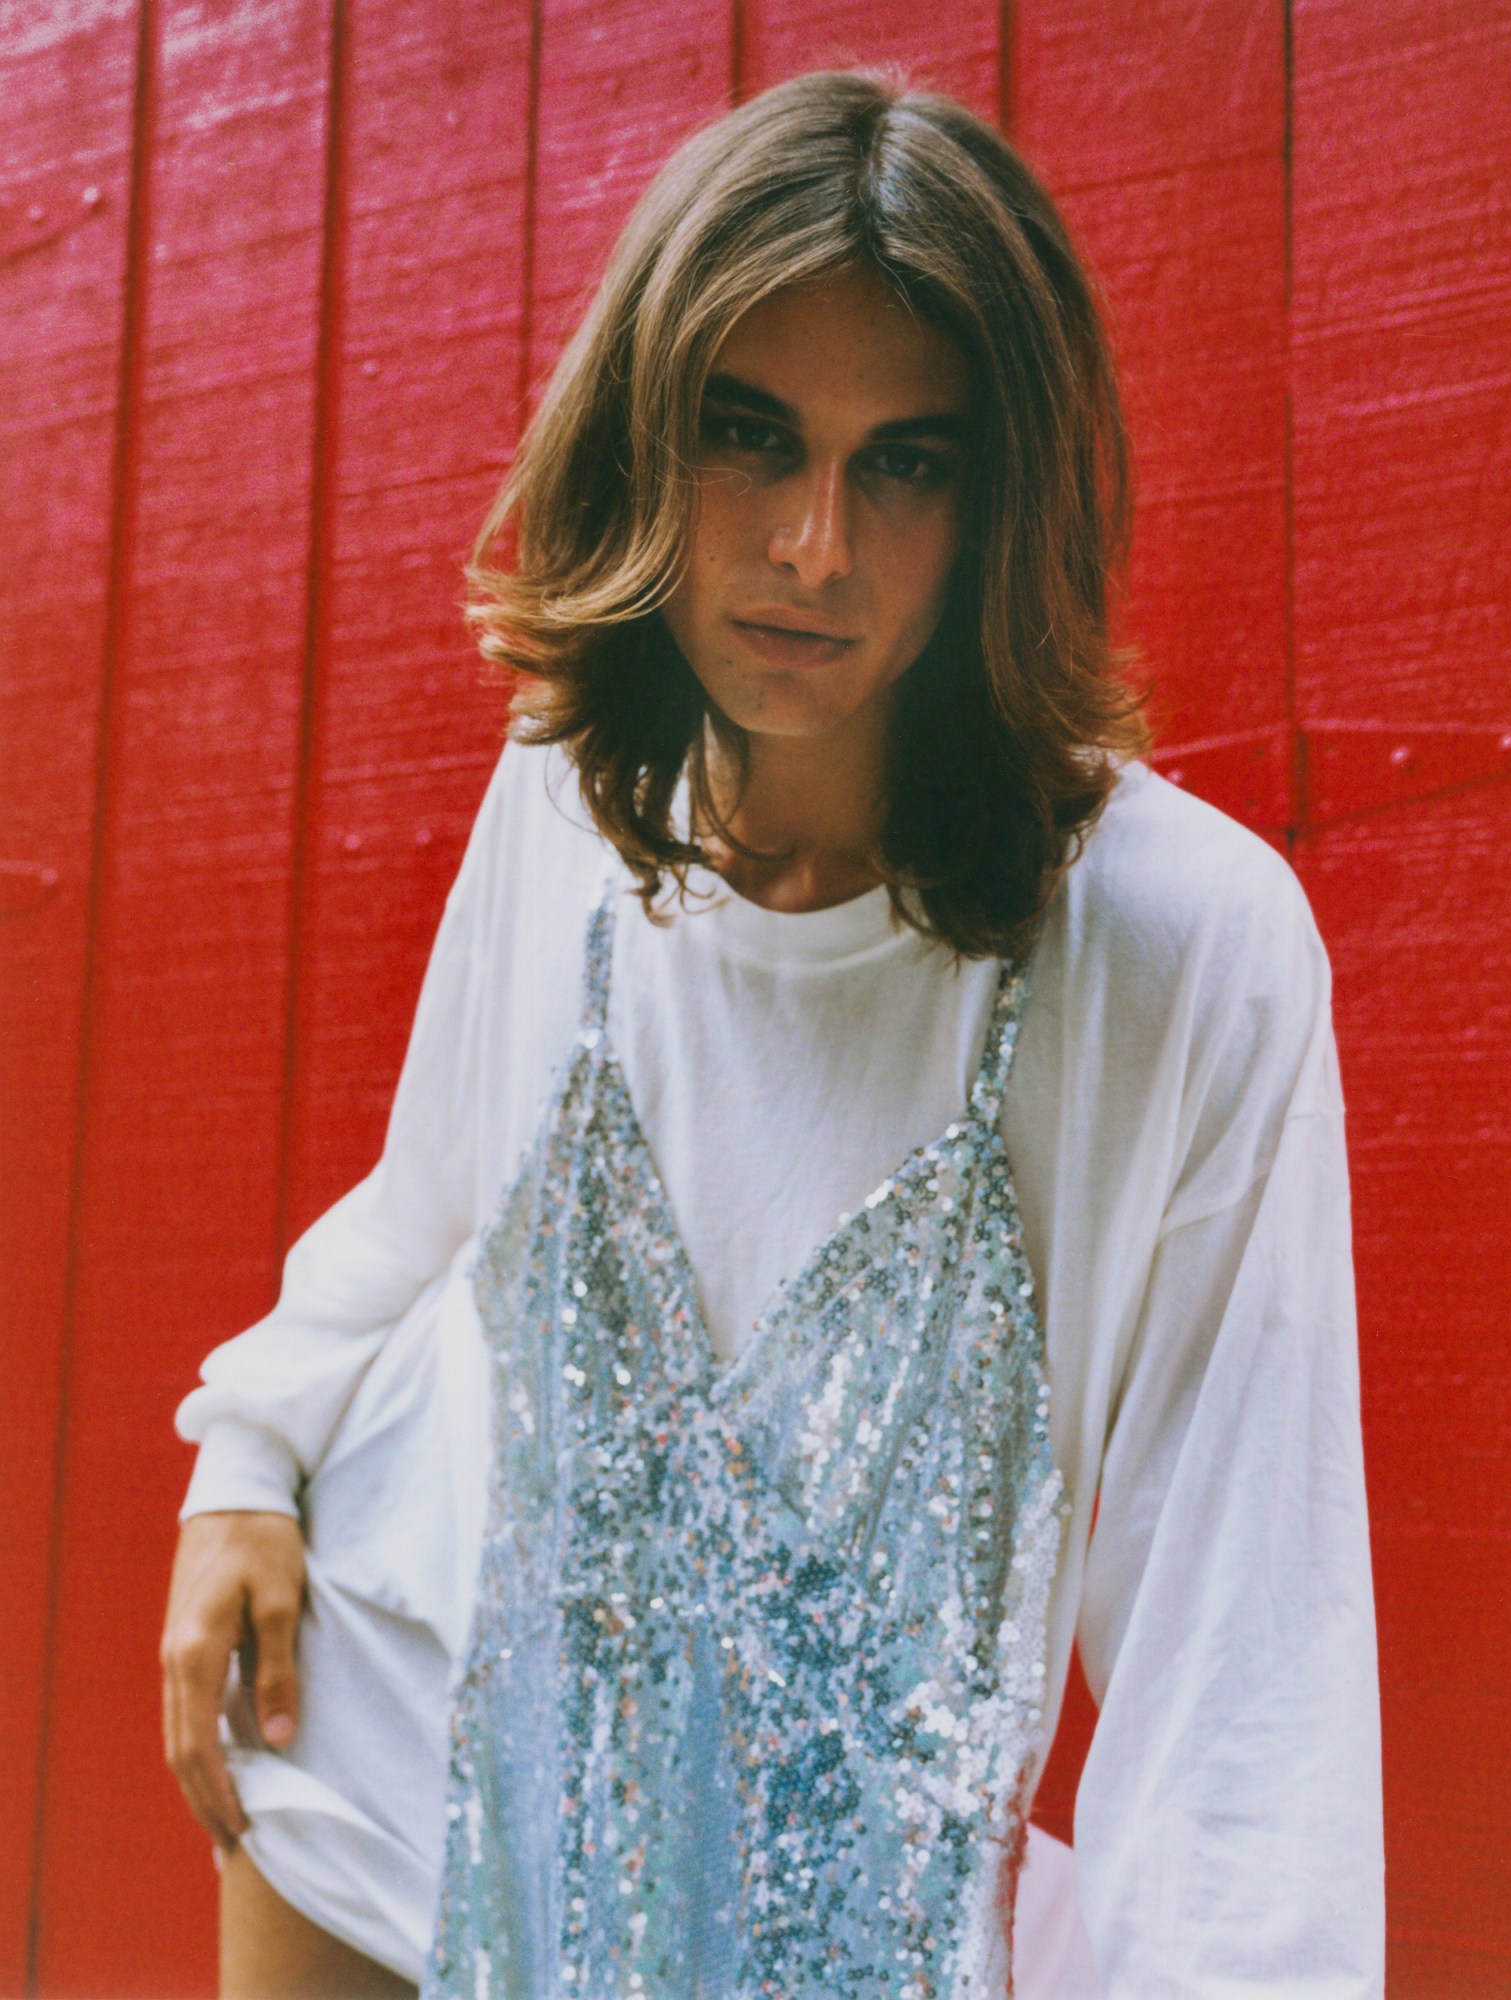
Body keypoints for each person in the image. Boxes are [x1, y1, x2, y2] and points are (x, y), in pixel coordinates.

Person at [161, 69, 1383, 2000]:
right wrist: (244, 1458)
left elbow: (1247, 1664)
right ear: (640, 439)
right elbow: (433, 1211)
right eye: (749, 436)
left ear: (1002, 498)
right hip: (387, 1755)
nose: (815, 543)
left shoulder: (1172, 945)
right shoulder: (564, 794)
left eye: (906, 461)